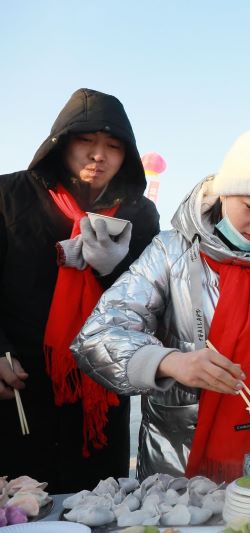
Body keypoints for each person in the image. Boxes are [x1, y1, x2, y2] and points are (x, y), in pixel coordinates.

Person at [73, 100, 250, 481]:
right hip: (176, 449)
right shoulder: (172, 250)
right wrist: (171, 362)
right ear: (225, 193)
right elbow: (99, 333)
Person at [0, 89, 160, 493]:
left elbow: (151, 299)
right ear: (61, 143)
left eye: (112, 146)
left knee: (97, 500)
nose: (98, 155)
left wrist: (113, 269)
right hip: (19, 380)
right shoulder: (7, 196)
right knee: (20, 501)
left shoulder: (138, 213)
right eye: (86, 141)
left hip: (99, 388)